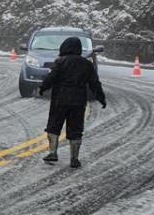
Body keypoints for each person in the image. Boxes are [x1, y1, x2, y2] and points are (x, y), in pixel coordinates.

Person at [38, 36, 106, 168]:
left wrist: (43, 88)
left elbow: (51, 77)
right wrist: (101, 98)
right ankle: (74, 158)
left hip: (60, 99)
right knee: (75, 128)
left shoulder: (60, 62)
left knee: (54, 125)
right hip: (78, 100)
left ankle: (53, 152)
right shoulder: (87, 64)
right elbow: (95, 83)